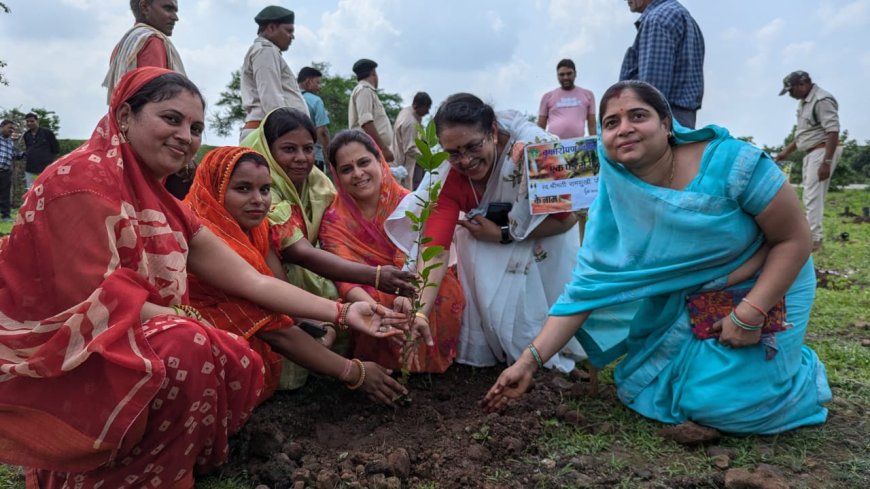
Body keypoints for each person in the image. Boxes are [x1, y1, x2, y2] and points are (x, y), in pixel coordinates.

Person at [0, 68, 404, 488]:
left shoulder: (166, 203)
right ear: (124, 115)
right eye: (171, 119)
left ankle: (158, 467)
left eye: (196, 127)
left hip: (135, 333)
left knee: (216, 344)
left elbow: (254, 281)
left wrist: (344, 311)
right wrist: (195, 322)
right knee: (191, 343)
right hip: (59, 343)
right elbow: (93, 300)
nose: (185, 136)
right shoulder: (83, 181)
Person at [483, 80, 831, 436]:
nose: (625, 129)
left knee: (726, 406)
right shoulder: (614, 197)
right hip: (694, 297)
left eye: (638, 116)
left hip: (770, 282)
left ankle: (802, 377)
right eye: (611, 122)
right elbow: (583, 291)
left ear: (667, 124)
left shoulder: (732, 164)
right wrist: (527, 364)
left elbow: (793, 239)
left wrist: (750, 314)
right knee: (655, 386)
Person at [184, 145, 411, 404]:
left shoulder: (258, 228)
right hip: (193, 335)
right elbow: (270, 320)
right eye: (243, 189)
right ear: (214, 189)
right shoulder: (201, 231)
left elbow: (276, 287)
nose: (258, 199)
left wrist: (313, 320)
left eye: (265, 189)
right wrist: (353, 371)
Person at [386, 93, 584, 372]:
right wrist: (421, 311)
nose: (465, 160)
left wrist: (505, 233)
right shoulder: (448, 178)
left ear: (492, 132)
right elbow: (435, 251)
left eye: (472, 147)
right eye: (453, 153)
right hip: (490, 240)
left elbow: (567, 221)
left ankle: (547, 345)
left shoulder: (528, 157)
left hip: (546, 241)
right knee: (466, 239)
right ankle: (498, 346)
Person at [320, 130, 463, 372]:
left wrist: (412, 295)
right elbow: (345, 279)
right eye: (346, 169)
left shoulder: (412, 204)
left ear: (380, 160)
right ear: (336, 175)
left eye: (364, 162)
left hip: (414, 284)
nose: (358, 174)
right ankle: (385, 367)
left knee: (443, 289)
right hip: (370, 295)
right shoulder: (334, 221)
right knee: (372, 302)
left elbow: (432, 255)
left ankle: (435, 366)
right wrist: (381, 313)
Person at [241, 107, 415, 299]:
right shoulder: (262, 190)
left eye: (308, 149)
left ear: (380, 161)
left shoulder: (317, 183)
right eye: (289, 149)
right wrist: (375, 277)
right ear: (268, 149)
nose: (301, 158)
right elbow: (300, 252)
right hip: (265, 282)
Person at [104, 0, 194, 199]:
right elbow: (158, 103)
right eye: (168, 8)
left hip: (121, 136)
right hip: (149, 145)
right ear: (145, 7)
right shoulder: (152, 41)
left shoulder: (124, 45)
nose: (175, 17)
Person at [773, 71, 842, 252]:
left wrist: (826, 161)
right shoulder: (805, 102)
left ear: (802, 84)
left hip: (823, 150)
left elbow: (833, 132)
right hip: (813, 151)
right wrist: (783, 154)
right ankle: (811, 237)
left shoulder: (821, 100)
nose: (790, 95)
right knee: (810, 195)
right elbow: (804, 135)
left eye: (791, 90)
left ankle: (813, 240)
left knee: (813, 196)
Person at [619, 0, 704, 129]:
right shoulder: (682, 16)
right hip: (680, 119)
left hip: (662, 121)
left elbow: (652, 92)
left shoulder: (657, 19)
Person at [239, 5, 309, 142]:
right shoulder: (265, 51)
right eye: (288, 30)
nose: (292, 36)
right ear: (271, 28)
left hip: (270, 131)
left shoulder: (268, 51)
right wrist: (288, 133)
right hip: (269, 133)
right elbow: (271, 100)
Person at [349, 58, 394, 163]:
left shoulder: (367, 91)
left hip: (372, 149)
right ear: (373, 73)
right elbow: (366, 122)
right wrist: (384, 149)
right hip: (369, 149)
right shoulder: (364, 90)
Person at [537, 59, 597, 139]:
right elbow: (540, 127)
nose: (566, 77)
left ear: (575, 74)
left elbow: (592, 125)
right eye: (562, 74)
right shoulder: (547, 97)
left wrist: (596, 145)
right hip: (553, 146)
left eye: (569, 74)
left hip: (579, 146)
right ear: (557, 76)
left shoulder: (588, 95)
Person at [391, 92, 432, 189]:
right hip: (403, 165)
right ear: (418, 106)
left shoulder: (405, 112)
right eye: (427, 108)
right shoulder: (410, 123)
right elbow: (410, 149)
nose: (428, 112)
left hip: (397, 160)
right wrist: (428, 159)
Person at [298, 66, 331, 171]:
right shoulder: (316, 101)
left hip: (291, 157)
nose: (319, 87)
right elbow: (322, 132)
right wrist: (330, 157)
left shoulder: (287, 98)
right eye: (317, 82)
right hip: (314, 157)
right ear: (308, 82)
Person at [22, 113, 60, 190]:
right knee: (31, 190)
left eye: (32, 121)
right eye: (27, 121)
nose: (29, 123)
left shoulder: (47, 133)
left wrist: (53, 164)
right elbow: (28, 149)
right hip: (30, 169)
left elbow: (56, 149)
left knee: (47, 189)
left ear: (37, 121)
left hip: (45, 168)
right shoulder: (26, 135)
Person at [0, 120, 17, 222]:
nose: (11, 130)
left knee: (5, 195)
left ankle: (6, 216)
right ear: (2, 126)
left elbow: (13, 155)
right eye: (9, 128)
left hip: (5, 172)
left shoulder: (10, 141)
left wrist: (25, 154)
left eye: (12, 129)